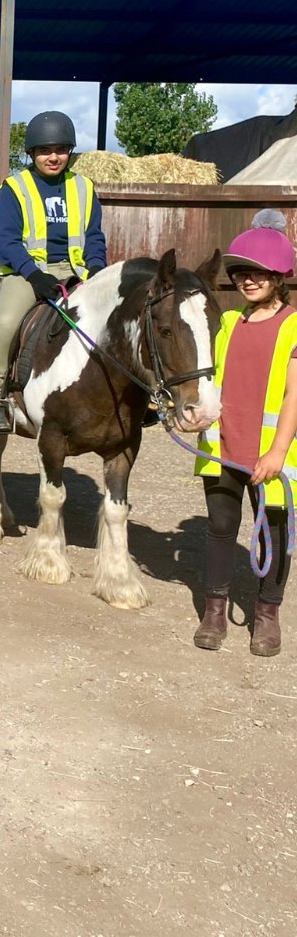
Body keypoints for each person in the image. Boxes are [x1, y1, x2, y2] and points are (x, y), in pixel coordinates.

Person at [193, 210, 297, 657]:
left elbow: (295, 395)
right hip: (224, 446)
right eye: (241, 274)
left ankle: (267, 615)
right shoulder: (230, 324)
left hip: (272, 454)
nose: (248, 281)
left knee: (273, 533)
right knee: (220, 527)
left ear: (278, 276)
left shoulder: (293, 325)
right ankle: (214, 612)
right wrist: (193, 416)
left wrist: (276, 451)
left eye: (257, 273)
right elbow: (210, 381)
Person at [0, 111, 107, 433]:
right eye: (44, 151)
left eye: (61, 149)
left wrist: (97, 269)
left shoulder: (84, 187)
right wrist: (34, 275)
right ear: (32, 153)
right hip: (27, 272)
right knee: (4, 325)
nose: (53, 157)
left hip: (76, 270)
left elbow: (94, 236)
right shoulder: (14, 188)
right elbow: (6, 240)